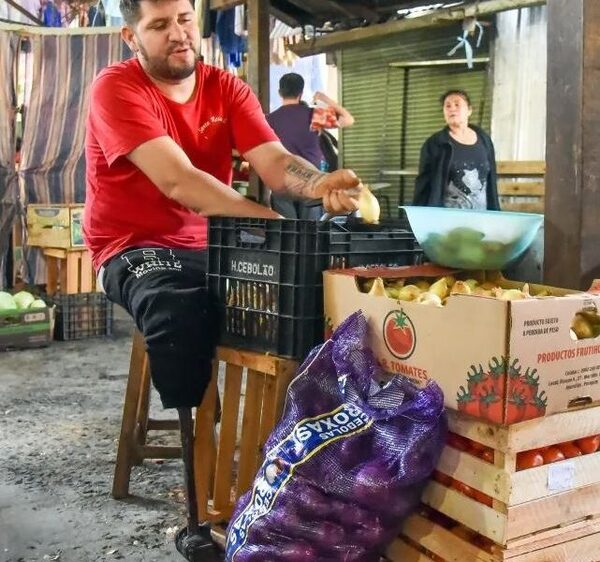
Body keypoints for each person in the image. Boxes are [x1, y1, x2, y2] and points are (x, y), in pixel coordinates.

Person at [83, 0, 363, 559]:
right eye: (159, 26)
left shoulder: (226, 88)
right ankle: (195, 512)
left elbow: (277, 163)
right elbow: (181, 181)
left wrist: (318, 184)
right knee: (180, 314)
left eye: (185, 19)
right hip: (133, 246)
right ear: (130, 36)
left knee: (311, 298)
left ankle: (295, 475)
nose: (179, 34)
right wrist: (270, 223)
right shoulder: (116, 89)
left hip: (212, 244)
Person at [266, 73, 355, 219]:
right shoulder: (313, 115)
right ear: (300, 93)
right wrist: (323, 98)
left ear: (280, 92)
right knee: (311, 233)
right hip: (311, 183)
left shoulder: (270, 120)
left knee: (286, 234)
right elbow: (348, 119)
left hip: (282, 183)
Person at [413, 89, 500, 210]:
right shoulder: (435, 144)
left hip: (482, 217)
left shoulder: (484, 140)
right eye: (447, 106)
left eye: (457, 104)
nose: (452, 108)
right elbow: (424, 184)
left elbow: (491, 183)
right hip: (447, 218)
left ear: (469, 110)